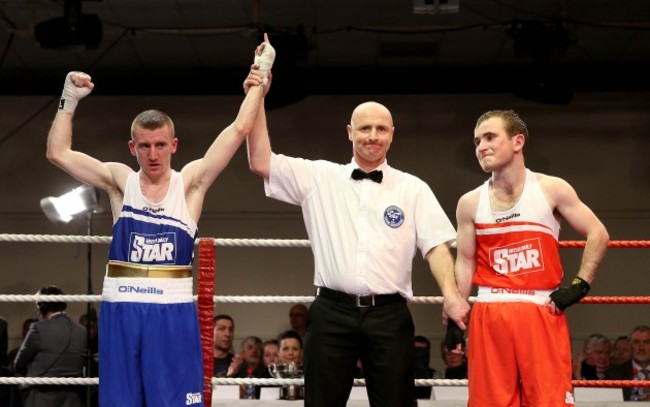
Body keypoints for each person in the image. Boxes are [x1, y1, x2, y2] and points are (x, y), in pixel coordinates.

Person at [44, 36, 275, 407]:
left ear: (174, 145)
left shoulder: (191, 184)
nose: (153, 154)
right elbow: (57, 153)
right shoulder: (121, 181)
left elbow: (238, 130)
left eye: (161, 145)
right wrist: (68, 99)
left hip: (172, 313)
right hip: (122, 311)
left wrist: (262, 72)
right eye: (145, 146)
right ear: (132, 147)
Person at [244, 36, 470, 407]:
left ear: (392, 135)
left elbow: (436, 247)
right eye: (365, 128)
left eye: (381, 129)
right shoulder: (319, 177)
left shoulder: (412, 188)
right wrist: (259, 93)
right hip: (331, 313)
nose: (373, 136)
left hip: (389, 315)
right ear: (350, 132)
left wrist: (452, 296)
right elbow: (260, 160)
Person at [453, 109, 610, 406]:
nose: (481, 147)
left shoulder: (551, 189)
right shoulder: (469, 202)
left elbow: (598, 233)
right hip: (490, 310)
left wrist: (579, 286)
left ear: (517, 141)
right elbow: (465, 260)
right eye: (476, 141)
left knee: (549, 401)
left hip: (541, 309)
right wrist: (455, 319)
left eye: (489, 137)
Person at [13, 286, 87, 407]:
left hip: (41, 396)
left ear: (41, 306)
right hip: (73, 398)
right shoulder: (82, 330)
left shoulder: (39, 328)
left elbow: (19, 363)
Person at [606, 325, 650, 401]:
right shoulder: (614, 374)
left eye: (646, 342)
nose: (641, 348)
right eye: (636, 342)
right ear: (630, 346)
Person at [413, 336, 436, 400]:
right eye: (416, 351)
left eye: (422, 352)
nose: (419, 355)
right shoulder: (400, 375)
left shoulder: (435, 375)